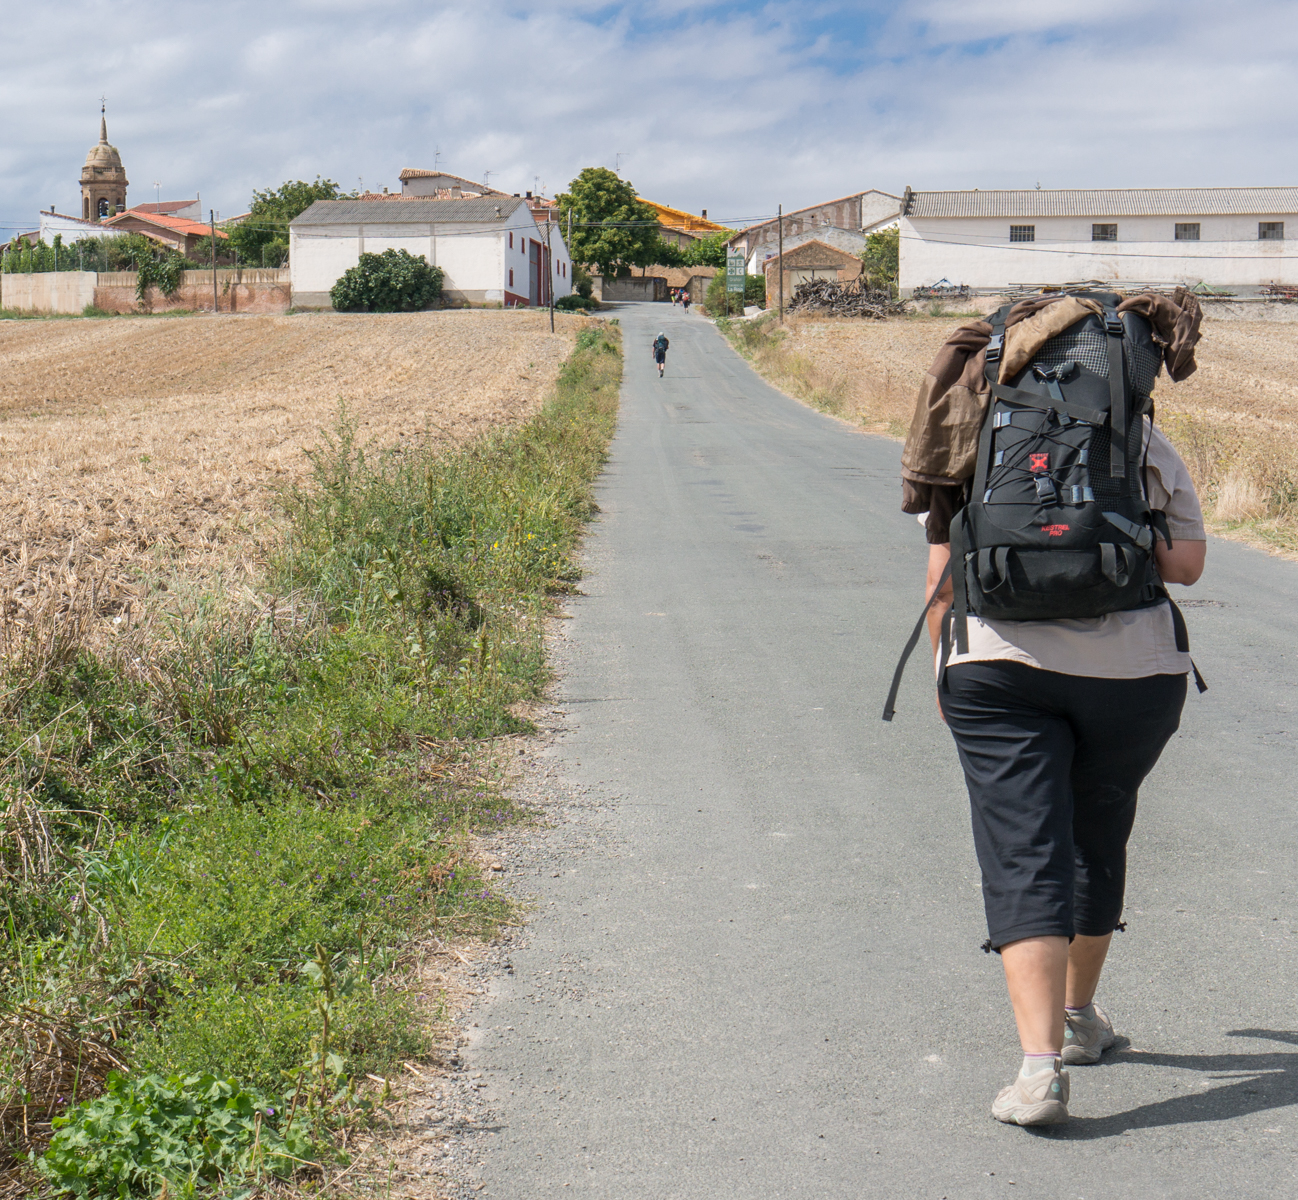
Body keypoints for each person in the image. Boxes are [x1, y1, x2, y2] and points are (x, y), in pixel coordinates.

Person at [903, 292, 1206, 1127]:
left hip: (997, 667)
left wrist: (945, 663)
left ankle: (1038, 1074)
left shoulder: (972, 434)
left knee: (1022, 848)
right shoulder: (1140, 436)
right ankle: (1080, 1022)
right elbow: (1186, 567)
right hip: (1135, 676)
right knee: (1096, 832)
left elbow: (941, 575)